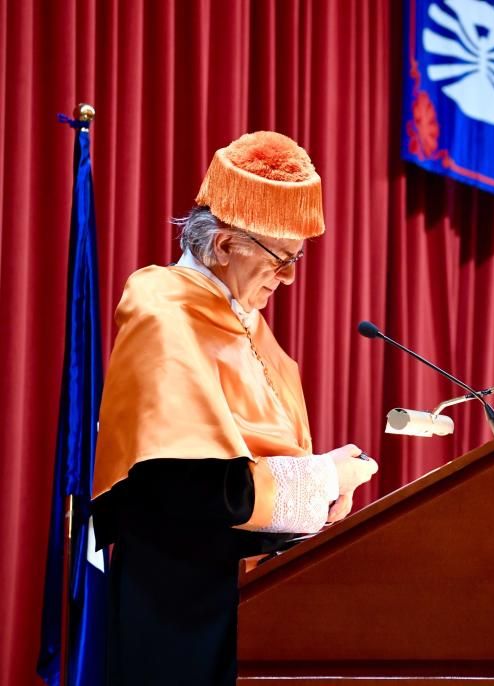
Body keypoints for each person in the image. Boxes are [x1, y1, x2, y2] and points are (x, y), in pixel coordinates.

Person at [91, 131, 379, 685]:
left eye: (299, 258)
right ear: (224, 246)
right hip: (183, 609)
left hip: (254, 601)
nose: (291, 276)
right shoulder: (164, 314)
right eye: (281, 257)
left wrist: (329, 491)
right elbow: (190, 487)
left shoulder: (252, 327)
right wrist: (323, 478)